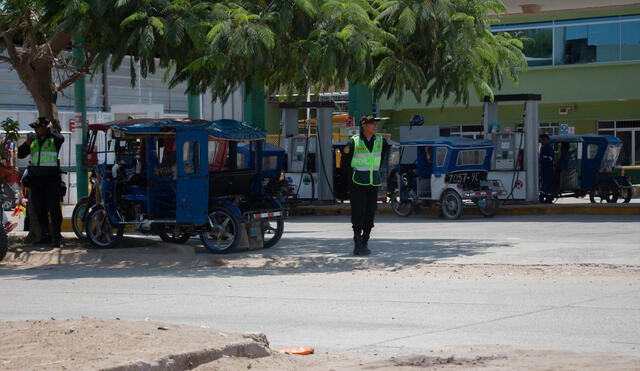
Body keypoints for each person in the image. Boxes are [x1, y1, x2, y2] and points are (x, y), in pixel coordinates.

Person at [341, 115, 390, 256]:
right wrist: (351, 179)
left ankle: (365, 241)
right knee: (358, 212)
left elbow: (381, 159)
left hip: (373, 181)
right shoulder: (353, 142)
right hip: (357, 182)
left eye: (375, 123)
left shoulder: (381, 141)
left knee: (370, 212)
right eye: (372, 124)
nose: (375, 126)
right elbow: (345, 164)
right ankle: (357, 243)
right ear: (364, 125)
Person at [18, 117, 65, 246]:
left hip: (51, 181)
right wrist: (27, 143)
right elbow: (20, 154)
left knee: (54, 209)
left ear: (46, 128)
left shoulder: (54, 140)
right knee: (39, 209)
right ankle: (45, 235)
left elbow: (61, 138)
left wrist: (51, 129)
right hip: (36, 181)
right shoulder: (34, 141)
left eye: (37, 127)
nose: (35, 130)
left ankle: (56, 238)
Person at [538, 133, 555, 204]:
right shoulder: (543, 147)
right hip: (544, 169)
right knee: (544, 184)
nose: (542, 141)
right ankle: (542, 197)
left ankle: (548, 199)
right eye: (541, 140)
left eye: (543, 140)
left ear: (547, 140)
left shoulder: (548, 147)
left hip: (548, 169)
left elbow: (550, 158)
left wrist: (542, 159)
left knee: (547, 184)